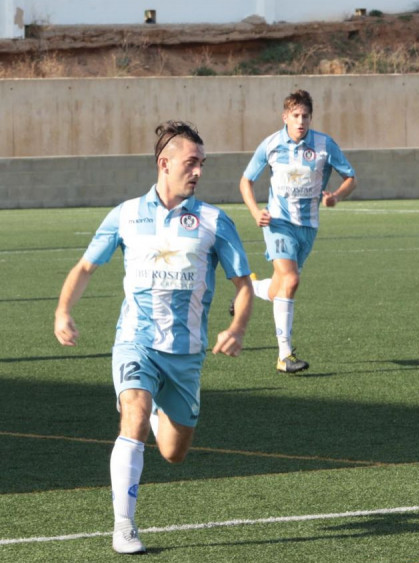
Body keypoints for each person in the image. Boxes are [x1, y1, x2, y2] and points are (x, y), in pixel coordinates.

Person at [53, 121, 253, 555]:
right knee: (134, 416)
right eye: (191, 162)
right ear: (164, 163)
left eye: (202, 163)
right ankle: (124, 526)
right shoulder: (126, 214)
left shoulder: (214, 221)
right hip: (135, 341)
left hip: (185, 354)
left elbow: (244, 285)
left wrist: (236, 327)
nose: (198, 171)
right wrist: (63, 311)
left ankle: (160, 408)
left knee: (174, 453)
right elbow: (86, 267)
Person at [239, 89, 356, 373]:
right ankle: (284, 355)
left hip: (308, 227)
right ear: (285, 117)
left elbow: (350, 177)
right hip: (277, 222)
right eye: (296, 115)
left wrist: (336, 196)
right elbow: (246, 181)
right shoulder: (271, 145)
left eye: (305, 116)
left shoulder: (324, 145)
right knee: (290, 280)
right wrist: (256, 212)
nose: (301, 121)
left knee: (281, 284)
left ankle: (249, 288)